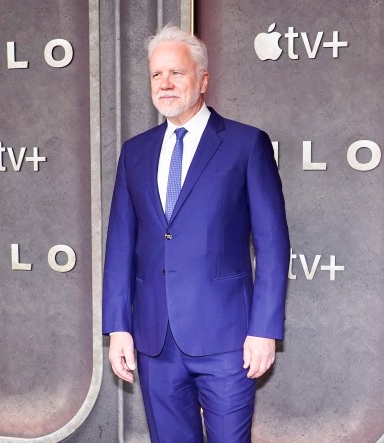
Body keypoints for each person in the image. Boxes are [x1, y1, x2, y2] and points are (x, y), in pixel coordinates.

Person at [102, 24, 290, 442]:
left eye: (177, 73)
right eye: (156, 75)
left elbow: (273, 245)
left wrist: (264, 330)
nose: (164, 84)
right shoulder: (135, 152)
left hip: (229, 342)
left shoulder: (245, 144)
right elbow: (120, 245)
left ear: (203, 80)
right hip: (155, 342)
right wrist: (119, 327)